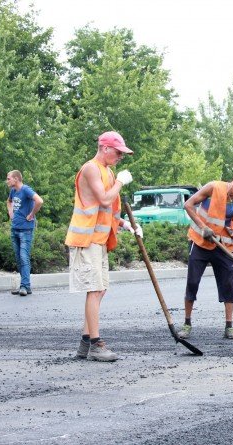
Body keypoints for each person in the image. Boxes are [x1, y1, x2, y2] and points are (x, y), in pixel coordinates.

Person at [65, 131, 141, 362]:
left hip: (98, 240)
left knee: (100, 290)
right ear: (105, 148)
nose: (120, 157)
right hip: (85, 240)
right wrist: (120, 182)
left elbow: (106, 209)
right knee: (94, 290)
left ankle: (85, 344)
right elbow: (104, 199)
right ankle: (97, 345)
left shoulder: (107, 171)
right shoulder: (91, 168)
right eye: (118, 152)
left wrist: (125, 224)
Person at [176, 170, 233, 341]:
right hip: (201, 243)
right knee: (192, 282)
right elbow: (188, 205)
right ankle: (187, 324)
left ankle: (229, 327)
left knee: (229, 285)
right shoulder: (214, 187)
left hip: (225, 247)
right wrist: (202, 226)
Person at [5, 170, 43, 296]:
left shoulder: (26, 190)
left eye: (9, 178)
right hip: (15, 229)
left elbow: (39, 201)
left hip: (26, 229)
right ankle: (26, 286)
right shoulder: (13, 191)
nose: (7, 180)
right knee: (19, 258)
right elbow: (9, 201)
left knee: (23, 257)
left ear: (16, 179)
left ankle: (24, 286)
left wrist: (32, 214)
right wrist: (11, 213)